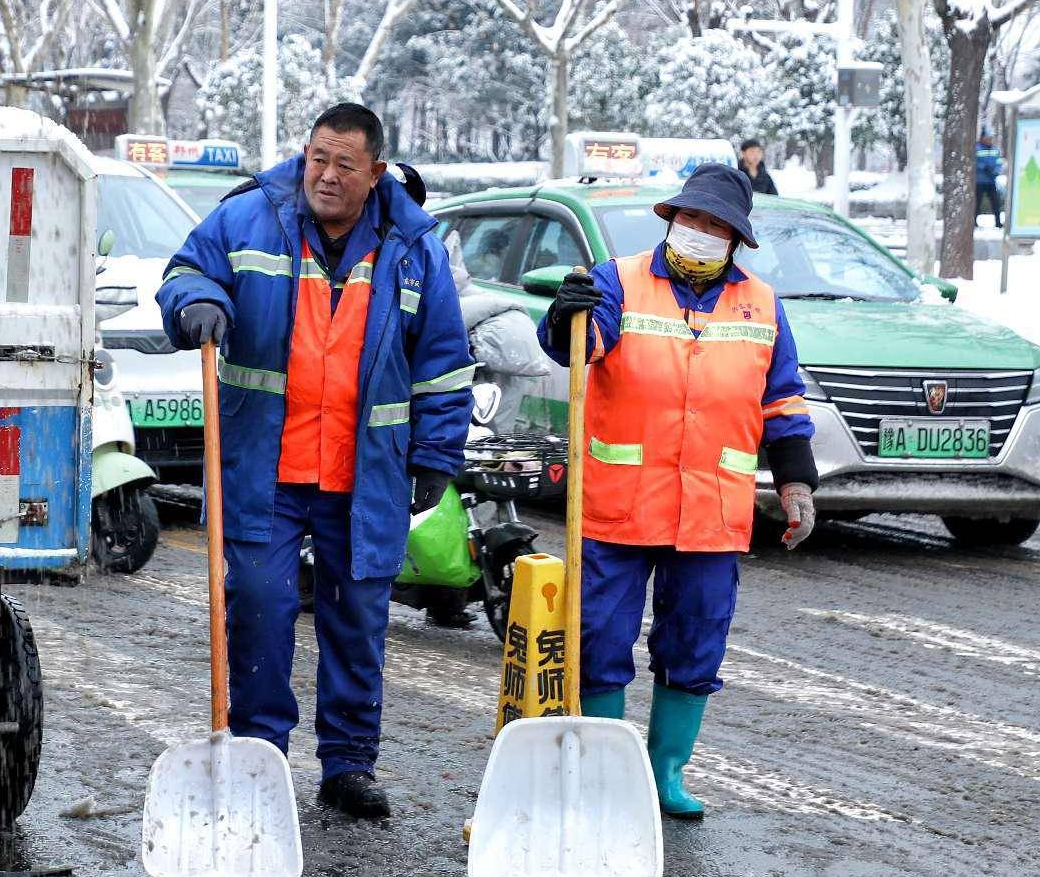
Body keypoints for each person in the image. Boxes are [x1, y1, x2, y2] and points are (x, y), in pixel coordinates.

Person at [156, 103, 473, 819]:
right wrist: (196, 303)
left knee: (356, 617)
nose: (325, 176)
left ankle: (348, 764)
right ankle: (261, 754)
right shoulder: (247, 218)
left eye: (344, 164)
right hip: (263, 464)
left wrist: (435, 453)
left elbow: (444, 360)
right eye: (316, 159)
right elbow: (183, 272)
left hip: (364, 472)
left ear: (376, 173)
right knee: (261, 606)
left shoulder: (413, 246)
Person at [539, 163, 817, 821]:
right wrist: (565, 318)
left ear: (735, 238)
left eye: (714, 225)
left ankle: (665, 771)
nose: (698, 231)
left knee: (694, 641)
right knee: (599, 640)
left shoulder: (762, 304)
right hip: (618, 502)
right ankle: (607, 769)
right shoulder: (618, 280)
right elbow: (582, 343)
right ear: (672, 218)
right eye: (690, 219)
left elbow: (782, 403)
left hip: (711, 510)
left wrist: (796, 482)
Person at [975, 131, 1004, 227]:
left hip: (991, 180)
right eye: (987, 138)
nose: (989, 140)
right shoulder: (977, 148)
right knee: (977, 203)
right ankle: (973, 221)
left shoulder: (995, 149)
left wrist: (995, 171)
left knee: (996, 202)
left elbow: (999, 161)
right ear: (982, 138)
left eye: (990, 138)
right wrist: (983, 167)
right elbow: (974, 161)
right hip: (979, 180)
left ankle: (998, 222)